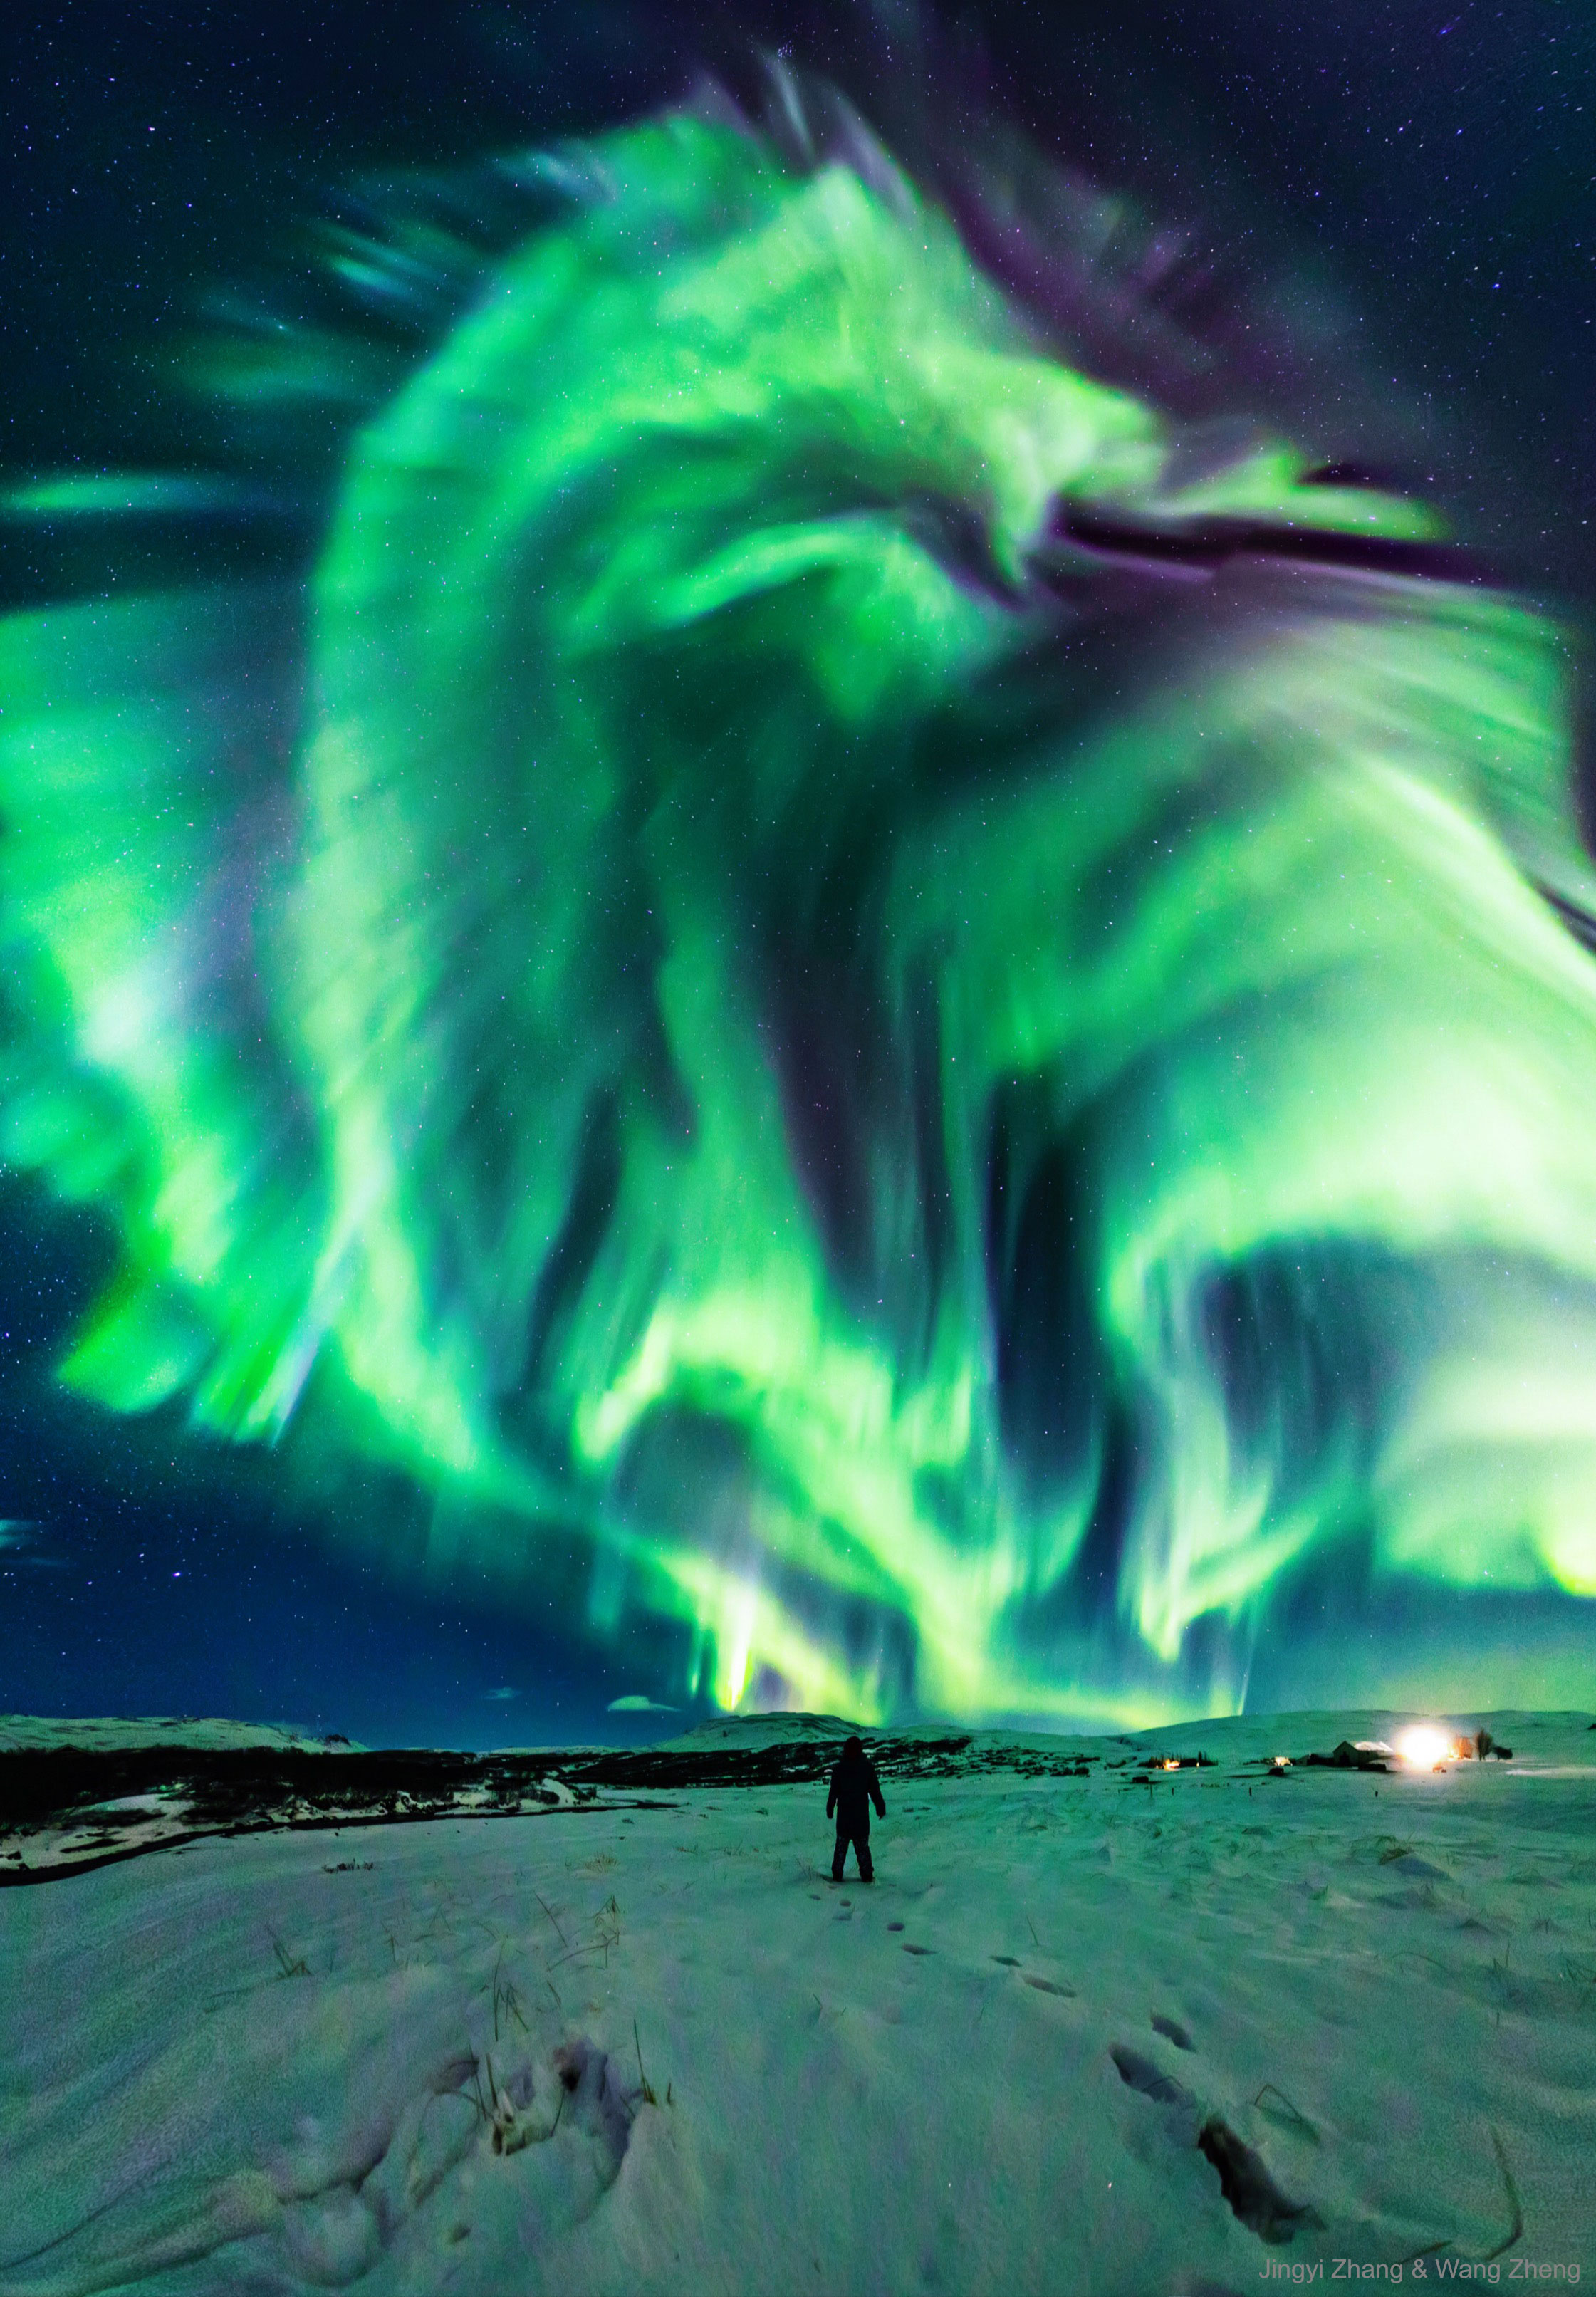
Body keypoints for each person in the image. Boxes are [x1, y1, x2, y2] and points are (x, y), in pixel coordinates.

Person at [826, 1735, 886, 1882]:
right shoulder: (867, 1767)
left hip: (844, 1819)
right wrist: (880, 1807)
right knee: (863, 1850)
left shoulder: (839, 1768)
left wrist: (830, 1808)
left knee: (841, 1850)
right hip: (861, 1819)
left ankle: (837, 1875)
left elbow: (833, 1792)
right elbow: (875, 1791)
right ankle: (866, 1876)